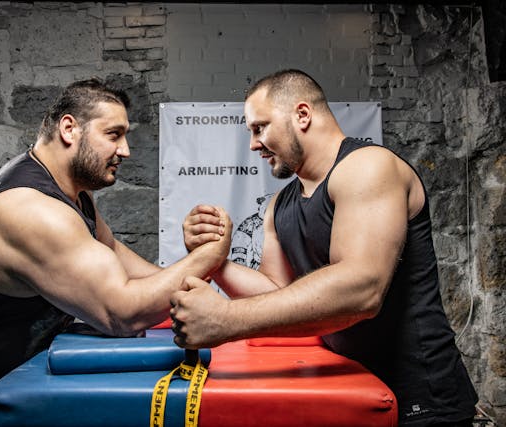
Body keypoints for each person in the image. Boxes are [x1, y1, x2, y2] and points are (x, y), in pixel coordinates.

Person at [0, 79, 231, 427]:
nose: (125, 150)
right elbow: (120, 315)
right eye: (114, 134)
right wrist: (207, 256)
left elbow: (113, 252)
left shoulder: (73, 191)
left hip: (5, 371)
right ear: (69, 128)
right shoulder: (33, 212)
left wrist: (184, 276)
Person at [170, 69, 478, 426]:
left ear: (302, 115)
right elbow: (276, 292)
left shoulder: (367, 167)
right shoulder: (280, 204)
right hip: (349, 385)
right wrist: (213, 257)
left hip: (421, 396)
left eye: (260, 127)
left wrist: (224, 320)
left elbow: (360, 289)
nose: (253, 144)